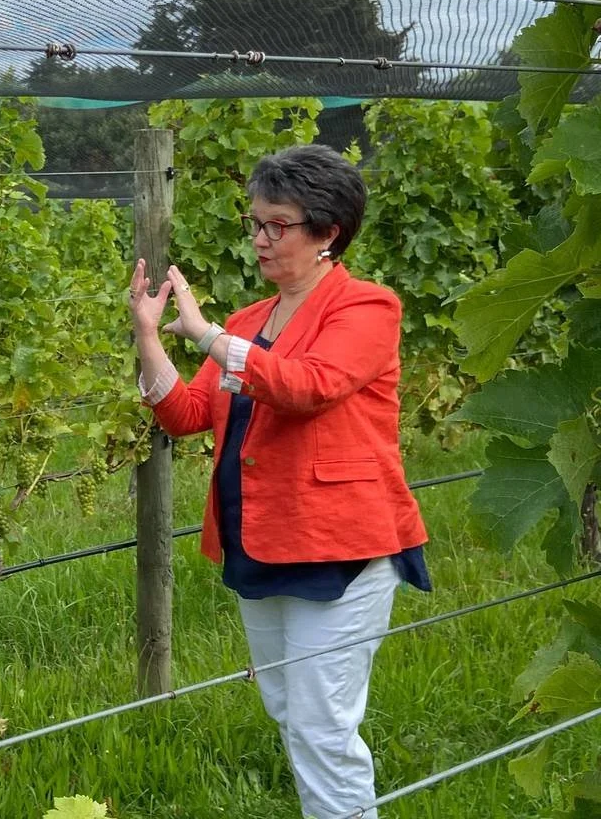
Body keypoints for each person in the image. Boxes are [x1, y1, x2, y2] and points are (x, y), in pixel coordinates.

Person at [128, 144, 430, 819]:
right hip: (259, 543)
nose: (261, 239)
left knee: (323, 729)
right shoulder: (248, 322)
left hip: (340, 549)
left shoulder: (366, 308)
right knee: (292, 711)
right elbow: (185, 415)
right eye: (256, 222)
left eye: (278, 225)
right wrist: (150, 336)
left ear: (327, 233)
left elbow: (310, 386)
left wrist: (207, 338)